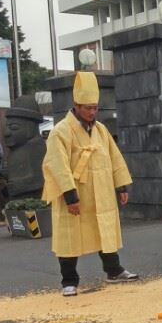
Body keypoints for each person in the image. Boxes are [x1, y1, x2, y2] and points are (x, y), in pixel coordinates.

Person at [42, 72, 138, 297]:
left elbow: (114, 157)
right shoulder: (61, 131)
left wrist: (121, 186)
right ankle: (69, 280)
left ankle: (113, 270)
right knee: (69, 235)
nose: (92, 112)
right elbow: (58, 164)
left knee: (104, 227)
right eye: (87, 108)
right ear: (76, 106)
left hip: (101, 190)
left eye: (95, 107)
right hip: (76, 190)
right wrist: (70, 195)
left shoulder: (101, 129)